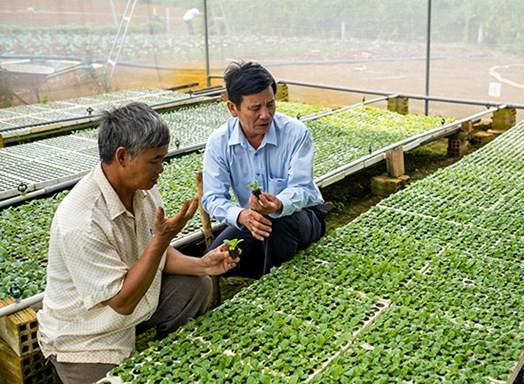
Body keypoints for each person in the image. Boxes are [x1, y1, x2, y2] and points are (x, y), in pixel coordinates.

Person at [37, 102, 238, 384]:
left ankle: (171, 354)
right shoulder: (80, 220)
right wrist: (162, 239)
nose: (162, 169)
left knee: (196, 285)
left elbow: (153, 251)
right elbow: (122, 302)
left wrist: (203, 264)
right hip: (87, 335)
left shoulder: (144, 192)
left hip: (131, 307)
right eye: (154, 160)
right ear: (122, 156)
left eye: (162, 159)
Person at [202, 61, 327, 279]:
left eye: (270, 104)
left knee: (278, 226)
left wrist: (279, 203)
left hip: (301, 215)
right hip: (253, 220)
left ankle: (276, 285)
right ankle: (266, 273)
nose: (265, 115)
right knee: (214, 258)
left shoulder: (296, 133)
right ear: (233, 108)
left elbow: (303, 188)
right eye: (255, 108)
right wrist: (241, 215)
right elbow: (212, 198)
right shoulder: (219, 142)